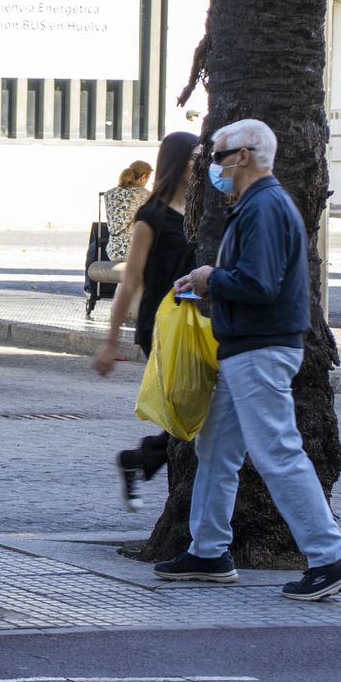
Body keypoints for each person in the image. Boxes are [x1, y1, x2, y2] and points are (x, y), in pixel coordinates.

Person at [159, 118, 341, 602]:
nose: (212, 165)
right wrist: (208, 279)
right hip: (247, 348)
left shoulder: (265, 207)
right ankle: (208, 552)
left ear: (244, 155)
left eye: (217, 155)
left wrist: (212, 278)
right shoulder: (257, 205)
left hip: (260, 348)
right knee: (216, 450)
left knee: (277, 451)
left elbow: (259, 283)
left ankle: (331, 557)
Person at [91, 132, 200, 511]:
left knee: (200, 413)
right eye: (194, 157)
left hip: (200, 325)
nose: (200, 164)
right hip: (163, 325)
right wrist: (110, 341)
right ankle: (141, 460)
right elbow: (130, 279)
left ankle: (139, 460)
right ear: (177, 162)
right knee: (193, 413)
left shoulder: (204, 212)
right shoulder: (151, 215)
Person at [103, 160, 152, 262]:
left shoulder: (109, 194)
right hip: (135, 252)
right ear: (143, 177)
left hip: (113, 252)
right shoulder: (146, 195)